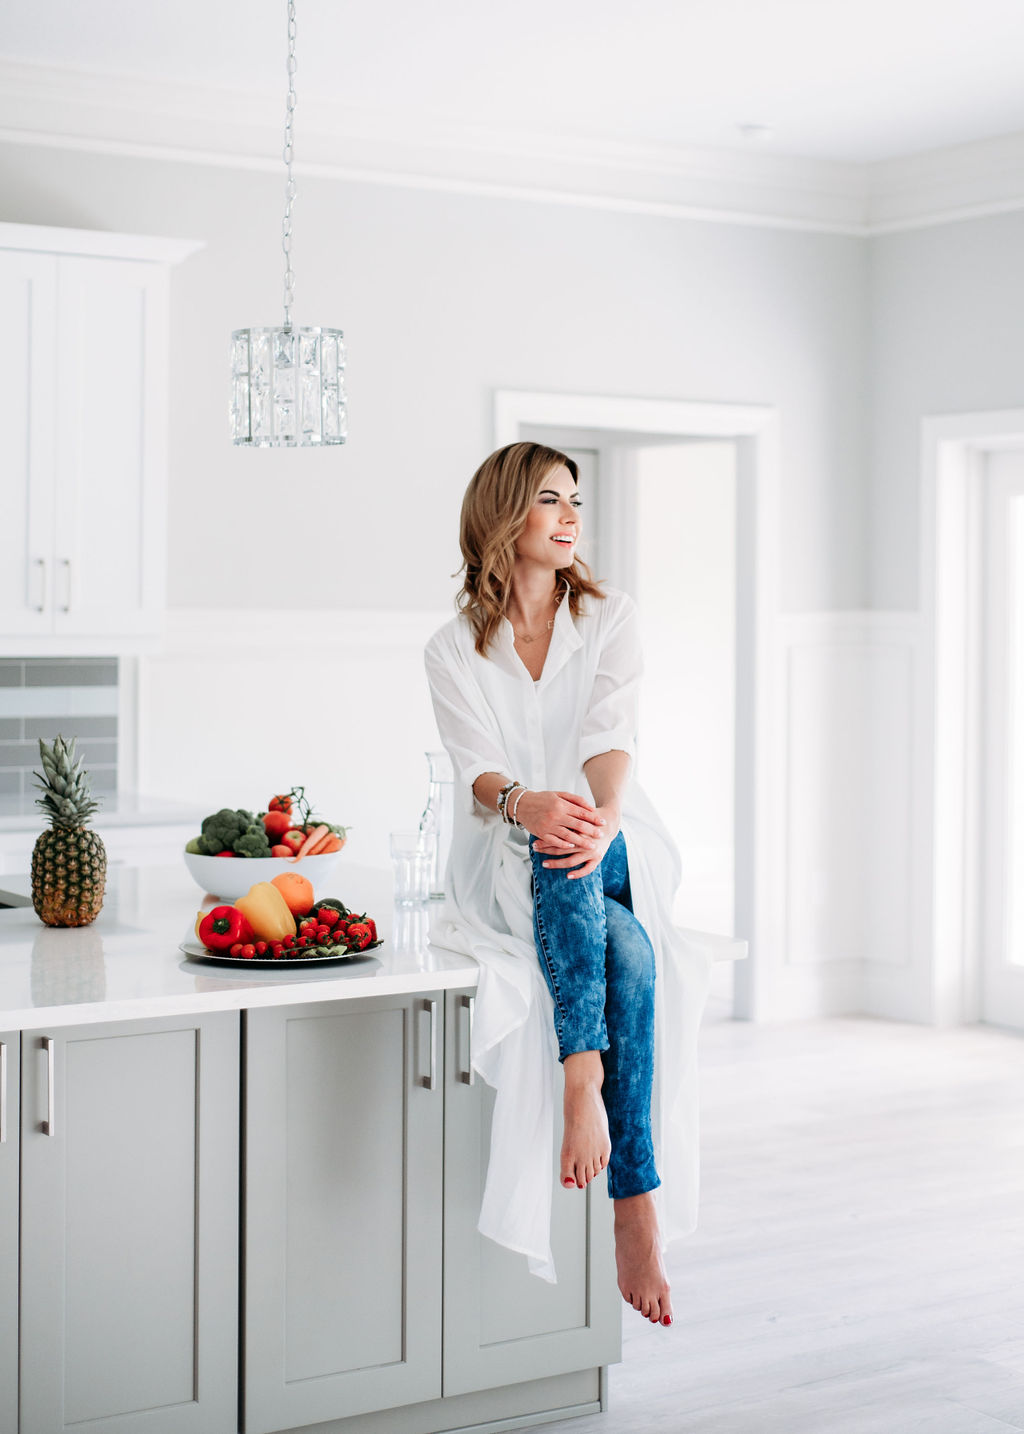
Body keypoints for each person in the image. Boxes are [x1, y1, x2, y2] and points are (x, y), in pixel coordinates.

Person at [424, 441, 713, 1328]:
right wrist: (526, 802)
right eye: (551, 500)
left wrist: (600, 810)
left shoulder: (609, 615)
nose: (571, 516)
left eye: (575, 500)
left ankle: (579, 1075)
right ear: (507, 516)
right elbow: (478, 772)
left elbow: (608, 731)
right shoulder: (451, 649)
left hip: (613, 835)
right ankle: (635, 1201)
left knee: (574, 841)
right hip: (507, 850)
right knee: (622, 953)